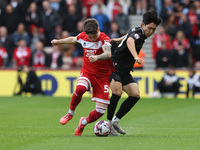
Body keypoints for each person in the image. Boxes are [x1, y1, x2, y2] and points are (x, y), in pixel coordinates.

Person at [51, 18, 114, 136]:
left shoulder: (104, 39)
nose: (92, 39)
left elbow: (108, 54)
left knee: (100, 111)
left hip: (102, 77)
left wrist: (97, 57)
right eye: (89, 37)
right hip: (88, 72)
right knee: (80, 88)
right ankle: (70, 113)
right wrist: (58, 41)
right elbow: (73, 39)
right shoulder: (83, 36)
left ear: (98, 30)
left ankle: (83, 123)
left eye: (94, 36)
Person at [107, 10, 161, 136]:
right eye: (149, 28)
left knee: (135, 94)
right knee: (117, 92)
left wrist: (118, 39)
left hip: (125, 69)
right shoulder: (138, 34)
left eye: (154, 29)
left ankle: (116, 120)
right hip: (114, 66)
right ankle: (108, 124)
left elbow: (127, 36)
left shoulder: (137, 31)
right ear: (143, 25)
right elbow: (130, 41)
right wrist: (136, 56)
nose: (151, 32)